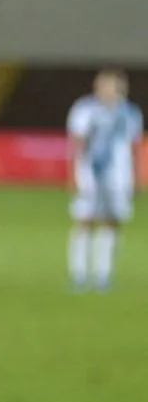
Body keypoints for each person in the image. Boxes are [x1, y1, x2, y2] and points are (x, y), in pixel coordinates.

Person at [67, 68, 142, 291]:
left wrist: (136, 176)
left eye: (115, 86)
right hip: (90, 172)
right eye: (106, 85)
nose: (110, 90)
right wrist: (72, 174)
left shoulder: (129, 112)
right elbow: (76, 143)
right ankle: (78, 273)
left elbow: (134, 146)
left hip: (119, 175)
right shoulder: (85, 109)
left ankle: (103, 273)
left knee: (112, 221)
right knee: (85, 219)